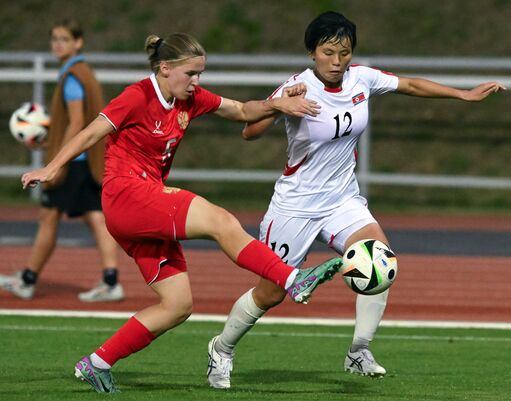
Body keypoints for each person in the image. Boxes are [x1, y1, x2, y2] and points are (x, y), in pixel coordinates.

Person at [21, 32, 343, 393]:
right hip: (127, 196)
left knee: (177, 305)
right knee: (219, 220)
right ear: (165, 68)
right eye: (190, 74)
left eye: (200, 74)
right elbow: (91, 131)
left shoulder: (190, 99)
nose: (196, 82)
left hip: (144, 206)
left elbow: (240, 111)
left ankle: (96, 363)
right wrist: (50, 168)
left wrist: (278, 105)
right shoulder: (137, 96)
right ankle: (292, 280)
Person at [206, 11, 506, 389]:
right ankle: (222, 348)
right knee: (272, 293)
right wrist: (280, 105)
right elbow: (250, 132)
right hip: (295, 206)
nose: (336, 61)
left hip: (341, 200)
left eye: (344, 52)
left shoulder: (361, 78)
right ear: (312, 52)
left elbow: (410, 85)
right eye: (328, 52)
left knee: (380, 258)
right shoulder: (296, 87)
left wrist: (462, 94)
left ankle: (359, 351)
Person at [0, 18, 124, 302]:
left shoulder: (71, 77)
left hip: (74, 163)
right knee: (95, 217)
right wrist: (51, 137)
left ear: (78, 43)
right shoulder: (85, 72)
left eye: (64, 39)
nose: (57, 44)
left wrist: (57, 159)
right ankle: (111, 280)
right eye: (54, 39)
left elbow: (77, 121)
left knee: (49, 217)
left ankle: (28, 280)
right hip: (88, 159)